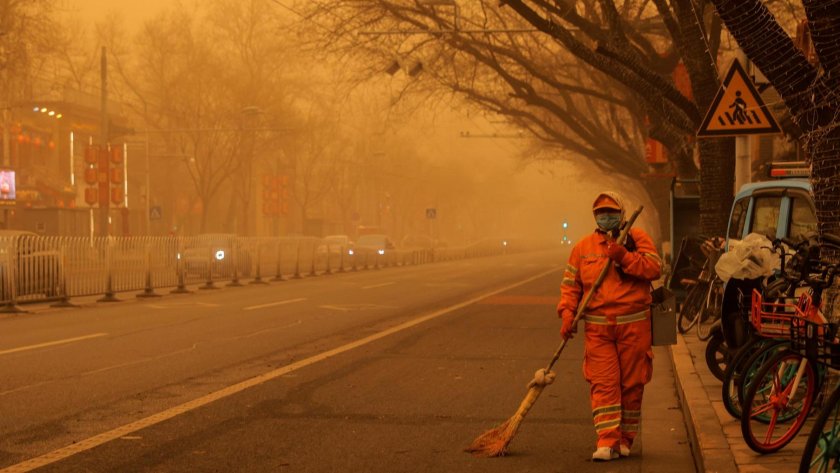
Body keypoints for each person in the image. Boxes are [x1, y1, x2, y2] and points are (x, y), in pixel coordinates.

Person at [557, 191, 661, 461]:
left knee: (631, 384)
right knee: (603, 383)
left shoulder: (636, 239)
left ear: (622, 214)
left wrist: (624, 257)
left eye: (612, 212)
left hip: (634, 326)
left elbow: (654, 269)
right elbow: (571, 286)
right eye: (601, 213)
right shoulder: (582, 247)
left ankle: (625, 440)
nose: (606, 217)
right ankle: (606, 440)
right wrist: (568, 314)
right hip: (598, 329)